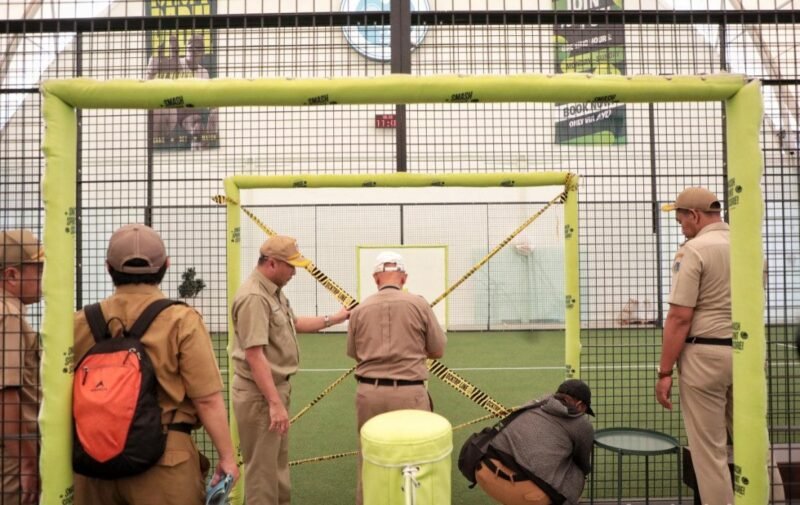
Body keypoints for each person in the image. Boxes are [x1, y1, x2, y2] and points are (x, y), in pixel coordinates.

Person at [72, 224, 239, 504]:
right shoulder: (181, 320)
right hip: (165, 460)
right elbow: (207, 400)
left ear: (107, 268)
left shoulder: (79, 322)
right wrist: (227, 457)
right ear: (166, 266)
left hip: (92, 462)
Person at [231, 235, 349, 505]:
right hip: (260, 395)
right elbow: (254, 355)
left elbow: (295, 323)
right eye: (291, 266)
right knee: (262, 473)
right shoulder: (254, 297)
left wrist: (337, 317)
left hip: (273, 390)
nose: (295, 272)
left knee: (277, 467)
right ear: (272, 264)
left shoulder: (272, 291)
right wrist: (274, 403)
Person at [346, 250, 447, 505]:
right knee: (416, 456)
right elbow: (438, 350)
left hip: (369, 393)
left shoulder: (360, 309)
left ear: (375, 278)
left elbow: (355, 353)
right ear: (403, 278)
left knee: (369, 457)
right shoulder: (419, 304)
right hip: (410, 394)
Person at [656, 187, 733, 505]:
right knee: (754, 443)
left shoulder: (694, 249)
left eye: (681, 220)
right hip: (748, 353)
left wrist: (664, 372)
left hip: (705, 357)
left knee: (709, 454)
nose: (681, 227)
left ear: (695, 215)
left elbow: (679, 317)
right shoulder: (748, 245)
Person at [475, 379, 595, 505]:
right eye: (585, 410)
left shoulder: (536, 402)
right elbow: (582, 462)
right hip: (526, 495)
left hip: (483, 471)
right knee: (577, 475)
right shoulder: (581, 423)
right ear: (580, 405)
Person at [1, 229, 44, 505]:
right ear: (12, 276)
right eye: (39, 270)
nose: (45, 278)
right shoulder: (9, 315)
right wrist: (27, 462)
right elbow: (6, 395)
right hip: (11, 456)